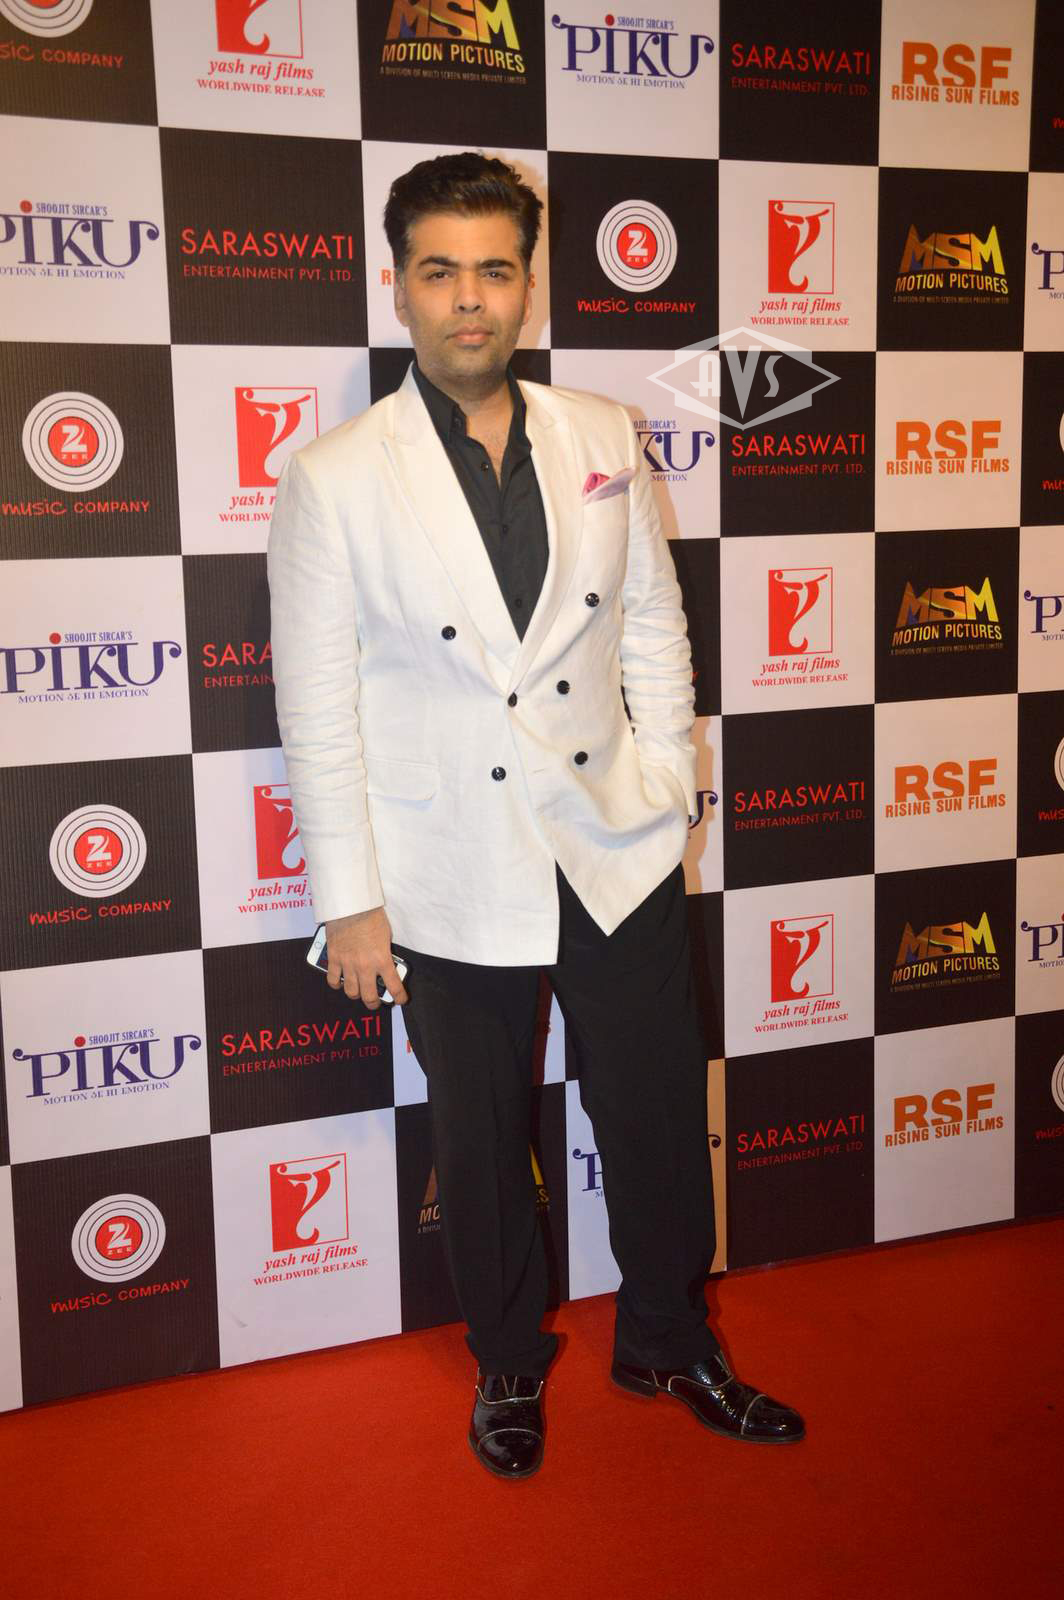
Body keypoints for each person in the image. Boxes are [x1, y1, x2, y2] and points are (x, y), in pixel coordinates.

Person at [267, 152, 804, 1479]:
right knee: (479, 1135)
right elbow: (318, 705)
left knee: (658, 1114)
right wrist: (350, 901)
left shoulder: (602, 435)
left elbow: (654, 623)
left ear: (529, 284)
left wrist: (668, 780)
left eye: (494, 270)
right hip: (446, 859)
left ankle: (667, 1337)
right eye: (439, 271)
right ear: (397, 286)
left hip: (610, 839)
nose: (469, 299)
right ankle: (508, 1359)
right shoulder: (334, 475)